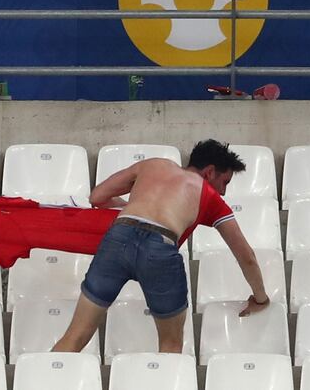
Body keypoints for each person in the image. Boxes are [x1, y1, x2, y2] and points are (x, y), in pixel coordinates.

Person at [52, 139, 270, 355]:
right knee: (170, 347)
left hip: (118, 236)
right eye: (225, 182)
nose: (223, 191)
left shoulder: (154, 165)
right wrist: (261, 298)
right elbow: (246, 255)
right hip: (160, 247)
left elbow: (97, 196)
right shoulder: (210, 197)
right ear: (209, 172)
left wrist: (137, 208)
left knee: (75, 336)